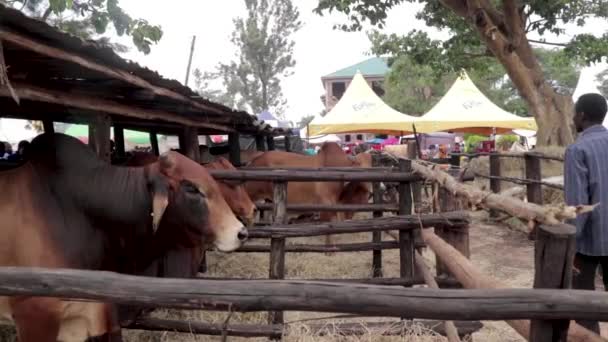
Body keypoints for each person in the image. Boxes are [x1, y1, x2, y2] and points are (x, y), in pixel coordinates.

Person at [565, 93, 608, 334]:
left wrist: (571, 240)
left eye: (574, 113)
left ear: (581, 116)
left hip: (590, 240)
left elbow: (578, 205)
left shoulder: (577, 149)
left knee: (584, 301)